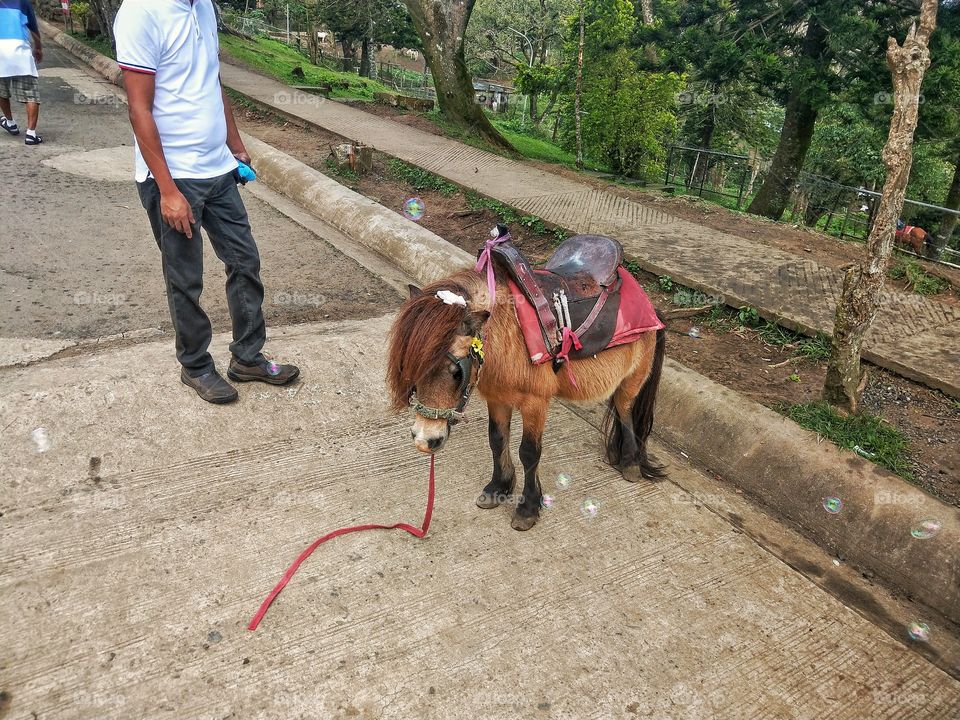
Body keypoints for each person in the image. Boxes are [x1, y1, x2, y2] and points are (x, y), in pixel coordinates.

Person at [114, 0, 299, 404]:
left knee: (244, 260)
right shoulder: (140, 11)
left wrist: (236, 146)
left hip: (218, 169)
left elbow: (212, 82)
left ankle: (247, 358)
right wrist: (166, 190)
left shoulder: (203, 8)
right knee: (186, 279)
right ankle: (195, 365)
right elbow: (138, 108)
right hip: (175, 176)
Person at [0, 0, 43, 145]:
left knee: (1, 91)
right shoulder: (23, 2)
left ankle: (10, 122)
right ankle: (31, 134)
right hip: (20, 51)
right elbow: (34, 29)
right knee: (31, 93)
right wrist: (38, 48)